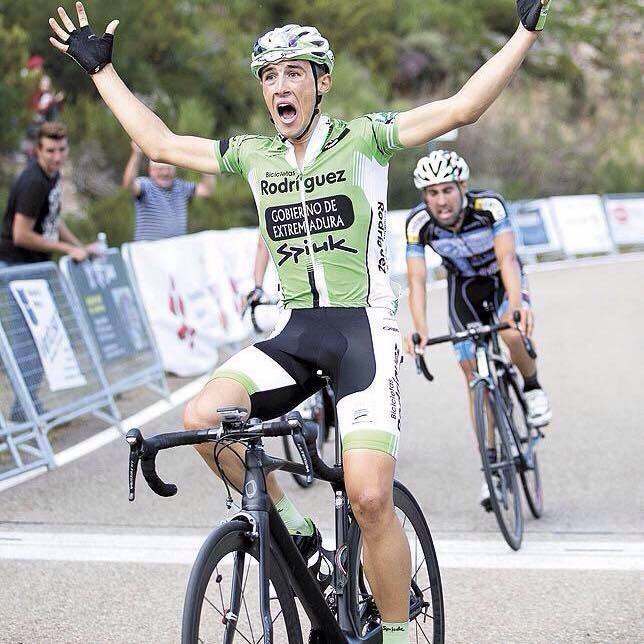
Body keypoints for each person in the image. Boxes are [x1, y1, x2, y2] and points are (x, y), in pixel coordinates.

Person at [49, 2, 553, 640]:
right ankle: (298, 532)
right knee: (202, 419)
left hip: (364, 333)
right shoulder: (253, 155)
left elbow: (462, 108)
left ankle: (398, 632)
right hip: (297, 333)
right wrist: (103, 73)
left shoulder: (365, 139)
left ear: (322, 82)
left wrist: (524, 32)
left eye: (293, 72)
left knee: (369, 497)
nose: (279, 86)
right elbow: (160, 144)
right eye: (268, 76)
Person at [404, 150, 552, 509]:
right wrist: (419, 329)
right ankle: (492, 468)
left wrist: (516, 306)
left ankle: (532, 387)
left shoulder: (489, 207)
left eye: (447, 190)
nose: (441, 200)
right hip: (465, 288)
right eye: (432, 193)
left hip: (502, 280)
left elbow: (507, 258)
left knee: (511, 333)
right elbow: (417, 279)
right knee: (472, 373)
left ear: (463, 186)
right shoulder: (418, 224)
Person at [0, 121, 96, 420]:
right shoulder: (34, 181)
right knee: (27, 342)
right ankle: (22, 413)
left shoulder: (51, 176)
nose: (57, 156)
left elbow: (53, 219)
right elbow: (21, 234)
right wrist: (66, 249)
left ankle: (26, 407)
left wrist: (80, 246)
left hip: (34, 267)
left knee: (40, 338)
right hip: (17, 267)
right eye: (51, 151)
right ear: (38, 150)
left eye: (61, 150)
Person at [122, 141, 215, 241]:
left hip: (175, 247)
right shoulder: (146, 185)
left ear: (174, 170)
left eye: (168, 169)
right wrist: (136, 154)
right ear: (151, 171)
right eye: (160, 169)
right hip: (148, 248)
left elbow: (207, 190)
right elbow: (128, 184)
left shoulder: (181, 187)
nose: (165, 173)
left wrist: (205, 163)